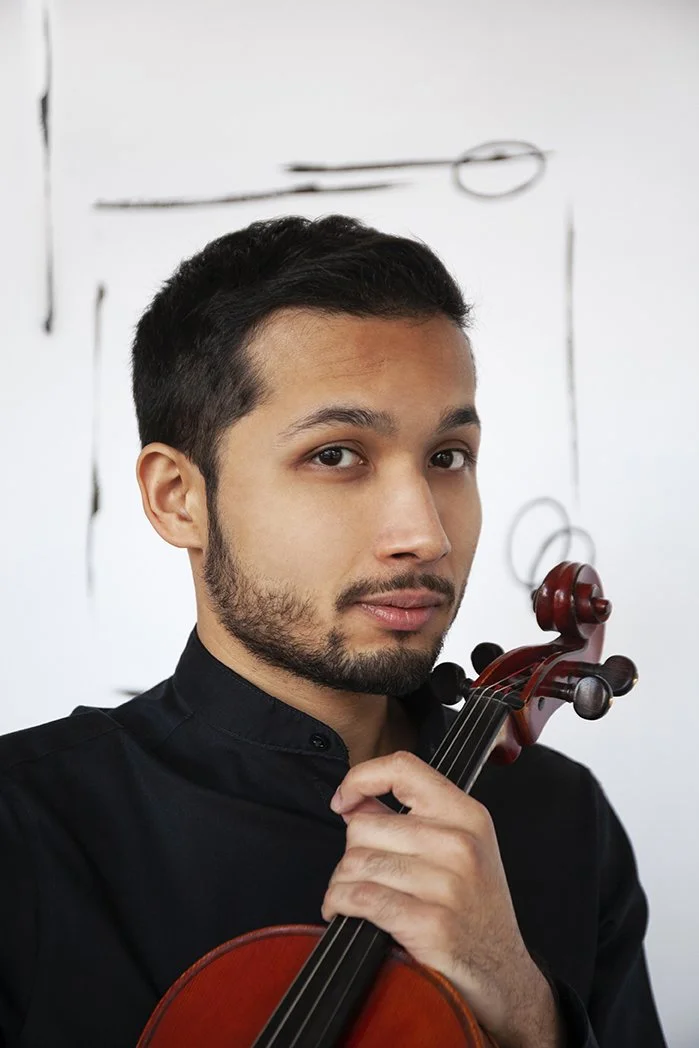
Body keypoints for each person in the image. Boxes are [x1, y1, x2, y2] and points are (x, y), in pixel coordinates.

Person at [0, 216, 665, 1047]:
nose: (424, 534)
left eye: (447, 456)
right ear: (179, 498)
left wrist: (528, 1013)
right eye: (336, 455)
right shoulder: (24, 825)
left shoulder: (560, 815)